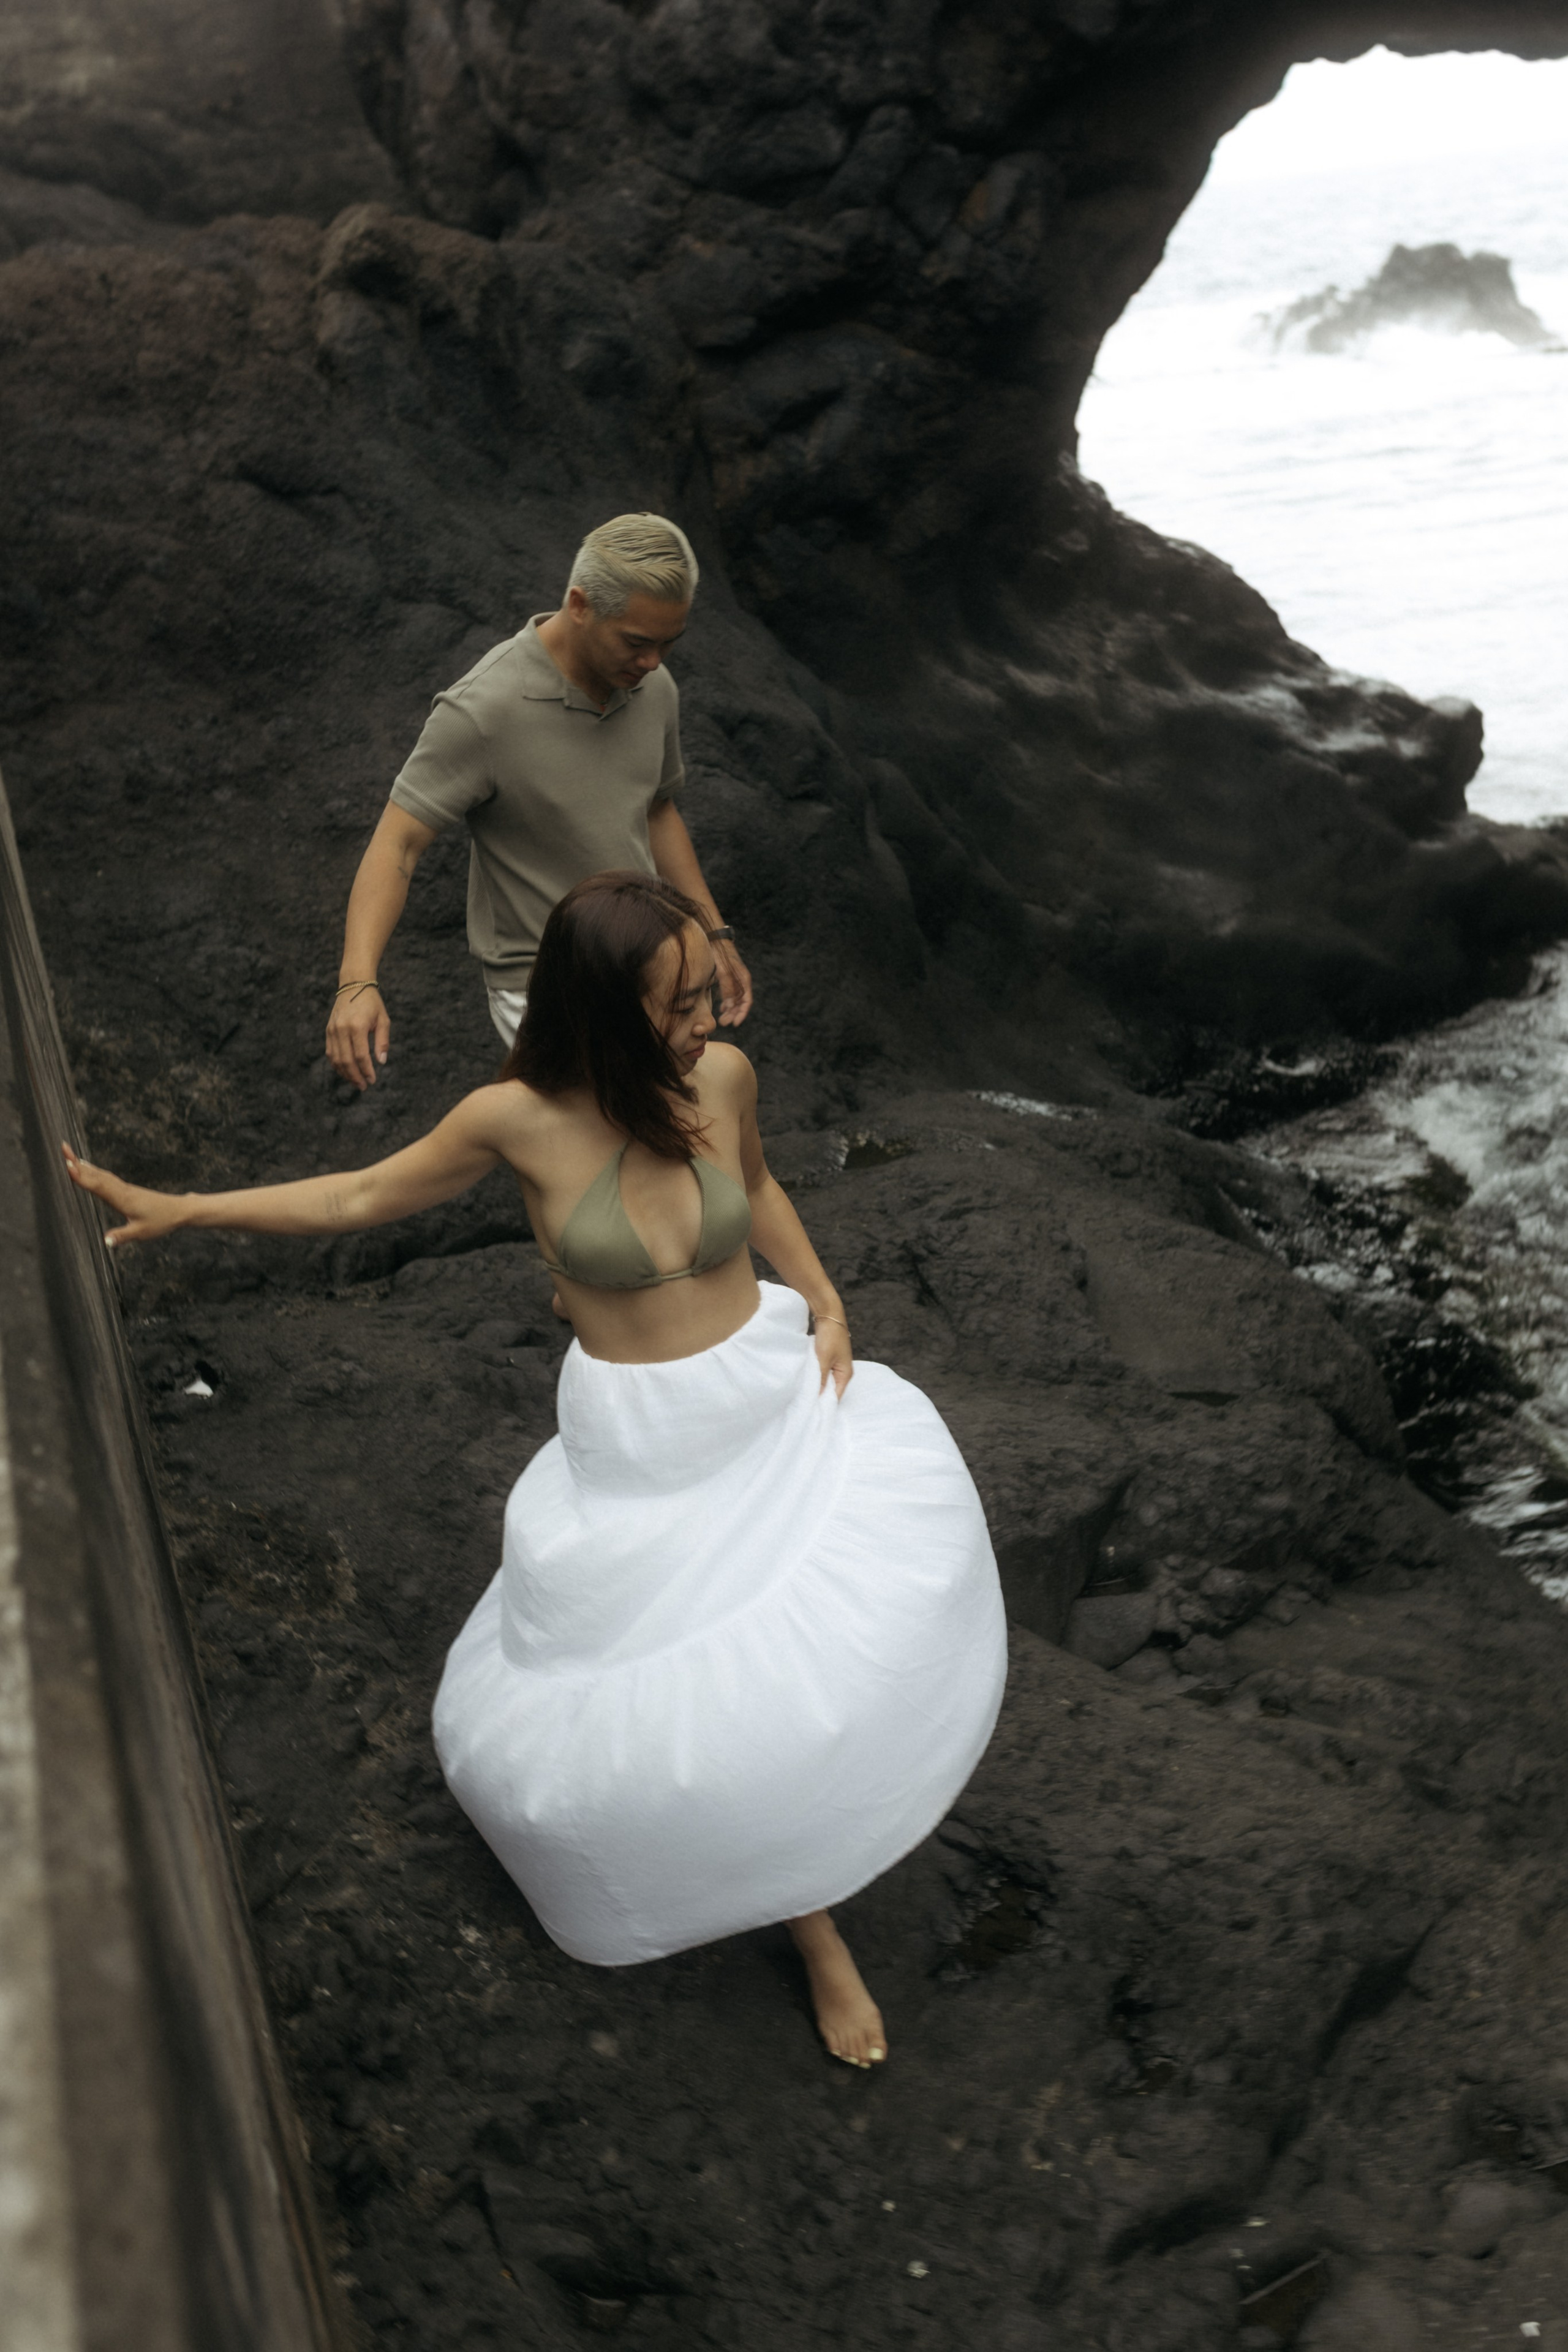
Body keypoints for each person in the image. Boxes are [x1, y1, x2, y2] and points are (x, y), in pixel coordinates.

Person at [66, 873, 1006, 2068]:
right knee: (687, 1687)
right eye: (678, 1005)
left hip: (765, 1389)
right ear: (606, 1011)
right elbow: (363, 1193)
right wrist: (186, 1209)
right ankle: (805, 1917)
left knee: (809, 1660)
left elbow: (758, 1189)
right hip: (641, 1440)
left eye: (706, 990)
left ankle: (814, 1920)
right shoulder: (512, 1120)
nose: (708, 1020)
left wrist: (824, 1300)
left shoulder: (721, 1081)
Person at [325, 511, 753, 1091]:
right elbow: (398, 845)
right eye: (637, 642)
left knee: (676, 1145)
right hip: (547, 989)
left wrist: (712, 932)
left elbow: (656, 810)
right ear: (579, 604)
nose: (654, 662)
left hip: (652, 969)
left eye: (669, 644)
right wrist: (358, 982)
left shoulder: (654, 689)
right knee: (601, 1157)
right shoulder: (483, 710)